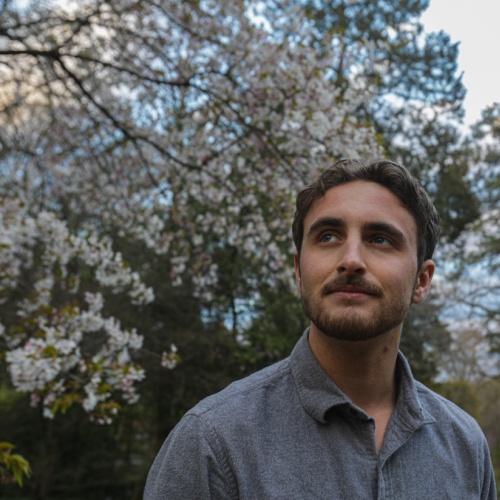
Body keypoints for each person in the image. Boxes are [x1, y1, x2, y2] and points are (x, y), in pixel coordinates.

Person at [144, 159, 497, 499]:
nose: (351, 260)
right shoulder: (212, 443)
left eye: (380, 239)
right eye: (328, 236)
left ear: (422, 280)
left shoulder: (466, 446)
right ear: (299, 271)